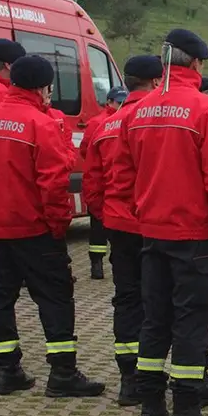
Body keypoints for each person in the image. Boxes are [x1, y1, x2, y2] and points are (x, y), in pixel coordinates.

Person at [113, 28, 208, 416]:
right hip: (193, 239)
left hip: (151, 237)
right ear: (196, 64)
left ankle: (151, 415)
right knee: (191, 329)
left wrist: (146, 213)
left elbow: (123, 178)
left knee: (154, 324)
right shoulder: (206, 111)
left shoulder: (136, 112)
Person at [0, 55, 105, 398]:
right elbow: (53, 185)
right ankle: (62, 373)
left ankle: (7, 371)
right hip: (35, 230)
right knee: (56, 298)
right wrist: (58, 226)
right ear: (44, 88)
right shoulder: (40, 124)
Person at [83, 55, 162, 406]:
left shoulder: (106, 125)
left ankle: (129, 379)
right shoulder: (155, 120)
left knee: (127, 299)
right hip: (153, 224)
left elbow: (92, 183)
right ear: (156, 82)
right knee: (161, 300)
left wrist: (107, 215)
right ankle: (165, 375)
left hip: (118, 223)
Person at [81, 87, 127, 280]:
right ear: (108, 102)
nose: (121, 105)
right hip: (105, 186)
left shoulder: (102, 123)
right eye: (118, 102)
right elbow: (86, 151)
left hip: (106, 185)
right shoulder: (99, 123)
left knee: (99, 228)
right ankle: (97, 263)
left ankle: (98, 263)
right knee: (98, 230)